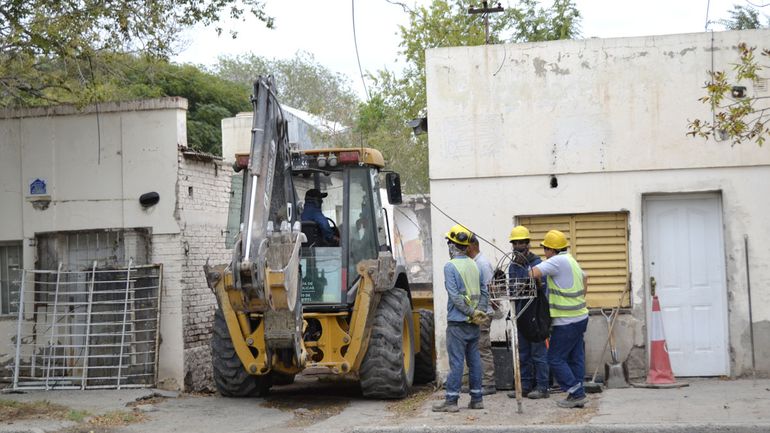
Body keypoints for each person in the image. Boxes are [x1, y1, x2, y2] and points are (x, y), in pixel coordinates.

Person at [432, 224, 489, 413]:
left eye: (449, 242)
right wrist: (478, 313)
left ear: (453, 245)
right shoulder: (474, 264)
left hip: (458, 323)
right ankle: (477, 399)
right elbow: (483, 291)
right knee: (474, 362)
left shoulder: (450, 266)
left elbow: (455, 297)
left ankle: (451, 401)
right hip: (473, 324)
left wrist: (471, 313)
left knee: (457, 362)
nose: (448, 245)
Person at [530, 229, 589, 408]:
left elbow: (533, 273)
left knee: (554, 358)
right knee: (575, 357)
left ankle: (576, 392)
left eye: (545, 250)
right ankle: (578, 392)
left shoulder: (557, 261)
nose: (544, 254)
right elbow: (586, 277)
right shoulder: (571, 260)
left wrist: (534, 273)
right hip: (580, 317)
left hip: (566, 320)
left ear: (551, 249)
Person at [506, 225, 550, 400]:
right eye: (515, 243)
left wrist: (532, 281)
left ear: (527, 244)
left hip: (536, 313)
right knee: (522, 352)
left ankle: (542, 386)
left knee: (538, 353)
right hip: (520, 313)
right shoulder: (512, 266)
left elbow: (543, 288)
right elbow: (511, 288)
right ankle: (524, 385)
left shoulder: (538, 264)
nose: (518, 246)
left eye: (521, 242)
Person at [465, 235, 496, 395]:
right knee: (475, 347)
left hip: (483, 314)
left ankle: (488, 383)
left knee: (482, 347)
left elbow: (490, 290)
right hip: (478, 313)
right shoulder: (476, 263)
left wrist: (486, 311)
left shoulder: (482, 264)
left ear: (471, 247)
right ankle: (478, 382)